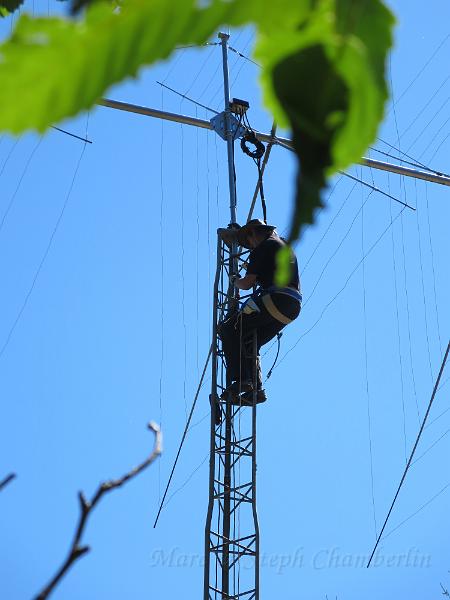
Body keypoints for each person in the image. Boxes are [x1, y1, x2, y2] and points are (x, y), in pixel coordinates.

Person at [218, 219, 302, 405]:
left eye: (249, 241)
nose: (250, 246)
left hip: (275, 299)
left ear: (255, 233)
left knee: (229, 328)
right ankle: (257, 390)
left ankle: (242, 380)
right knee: (249, 339)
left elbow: (246, 284)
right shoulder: (283, 247)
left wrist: (234, 280)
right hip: (291, 307)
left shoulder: (263, 247)